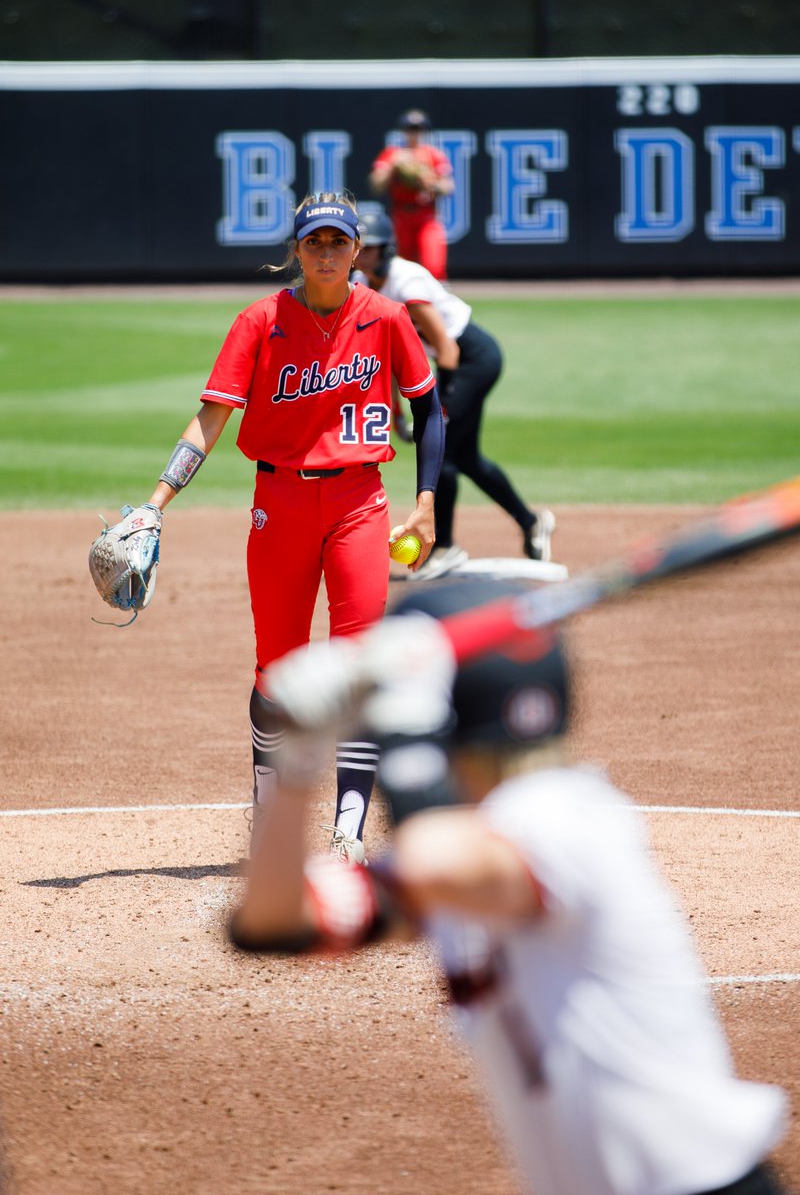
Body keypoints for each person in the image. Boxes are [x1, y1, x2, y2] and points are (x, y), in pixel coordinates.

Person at [230, 576, 791, 1195]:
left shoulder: (564, 816)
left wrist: (403, 727)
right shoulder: (472, 854)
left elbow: (430, 860)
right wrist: (297, 765)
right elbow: (270, 923)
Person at [117, 191, 444, 864]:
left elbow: (430, 410)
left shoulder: (385, 318)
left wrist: (428, 500)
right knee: (277, 673)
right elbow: (210, 419)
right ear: (294, 250)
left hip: (360, 503)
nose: (326, 253)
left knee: (358, 668)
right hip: (279, 506)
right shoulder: (259, 321)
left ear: (358, 250)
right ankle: (273, 822)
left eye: (338, 242)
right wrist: (156, 501)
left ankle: (348, 828)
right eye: (314, 242)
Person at [355, 208, 555, 580]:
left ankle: (445, 546)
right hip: (456, 363)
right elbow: (382, 356)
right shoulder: (363, 285)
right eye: (358, 247)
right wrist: (397, 413)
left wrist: (439, 408)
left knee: (442, 453)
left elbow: (447, 350)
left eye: (370, 247)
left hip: (474, 359)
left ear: (386, 249)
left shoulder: (406, 283)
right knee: (467, 459)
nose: (362, 254)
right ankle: (531, 522)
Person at [368, 108, 454, 281]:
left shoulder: (433, 154)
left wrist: (428, 182)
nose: (414, 133)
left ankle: (438, 304)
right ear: (403, 130)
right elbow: (375, 184)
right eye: (410, 128)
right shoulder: (393, 154)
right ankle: (404, 306)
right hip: (402, 216)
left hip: (426, 215)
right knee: (401, 267)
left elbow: (448, 186)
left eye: (418, 128)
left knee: (434, 266)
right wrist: (393, 167)